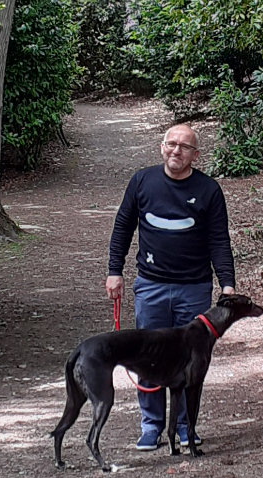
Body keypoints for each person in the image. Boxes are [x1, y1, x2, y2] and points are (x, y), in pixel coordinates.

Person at [106, 124, 236, 451]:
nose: (176, 151)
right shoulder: (142, 181)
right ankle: (150, 426)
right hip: (150, 286)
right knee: (148, 357)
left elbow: (219, 240)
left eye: (184, 147)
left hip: (194, 288)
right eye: (171, 144)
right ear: (161, 147)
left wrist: (228, 284)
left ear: (195, 154)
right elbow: (123, 226)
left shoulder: (208, 190)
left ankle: (184, 427)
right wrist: (114, 271)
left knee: (189, 364)